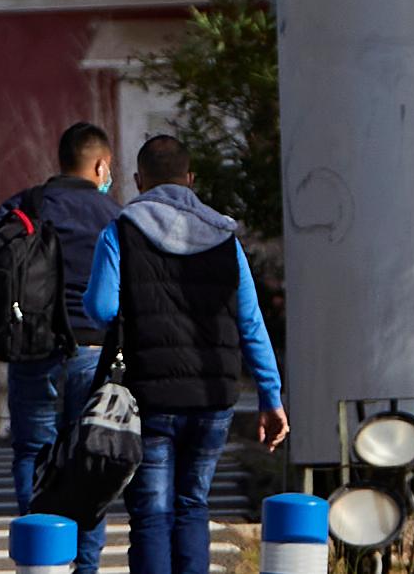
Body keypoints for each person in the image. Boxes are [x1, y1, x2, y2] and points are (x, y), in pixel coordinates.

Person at [83, 134, 289, 574]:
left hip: (150, 398)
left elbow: (101, 309)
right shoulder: (225, 238)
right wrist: (271, 399)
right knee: (193, 504)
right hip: (214, 395)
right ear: (190, 179)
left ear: (140, 181)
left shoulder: (121, 230)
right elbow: (251, 324)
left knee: (153, 513)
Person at [0, 121, 119, 574]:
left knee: (32, 452)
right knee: (91, 460)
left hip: (33, 349)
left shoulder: (29, 204)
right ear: (101, 165)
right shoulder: (112, 216)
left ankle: (42, 556)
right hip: (93, 352)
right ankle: (84, 567)